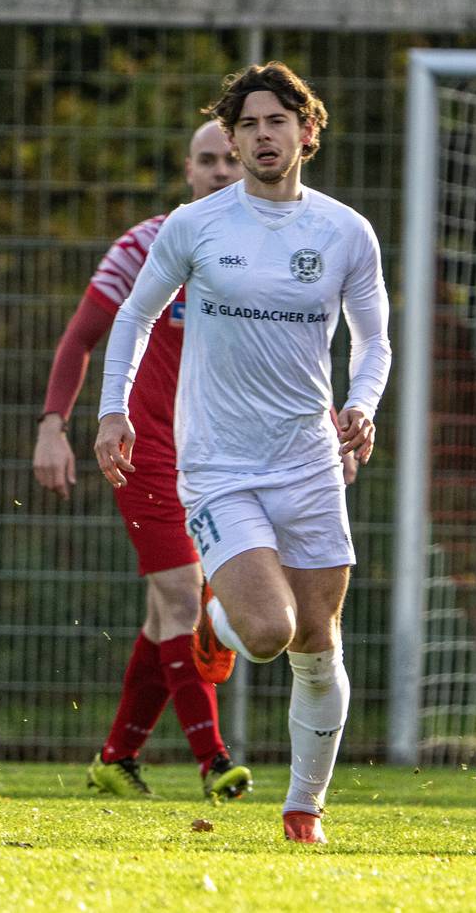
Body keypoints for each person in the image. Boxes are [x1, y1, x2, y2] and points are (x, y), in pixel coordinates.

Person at [93, 61, 391, 845]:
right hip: (219, 464)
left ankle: (304, 811)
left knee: (318, 642)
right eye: (249, 124)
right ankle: (214, 628)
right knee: (266, 630)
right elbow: (134, 317)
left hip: (310, 461)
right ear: (231, 136)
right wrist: (112, 410)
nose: (263, 136)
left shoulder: (344, 231)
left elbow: (374, 341)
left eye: (278, 121)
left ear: (306, 132)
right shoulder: (194, 227)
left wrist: (361, 405)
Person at [33, 121, 252, 800]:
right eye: (208, 160)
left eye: (230, 160)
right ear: (188, 169)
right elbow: (81, 339)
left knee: (167, 614)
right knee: (185, 597)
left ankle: (115, 758)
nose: (220, 171)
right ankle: (214, 762)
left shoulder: (268, 253)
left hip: (221, 455)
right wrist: (53, 425)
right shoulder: (147, 245)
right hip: (145, 448)